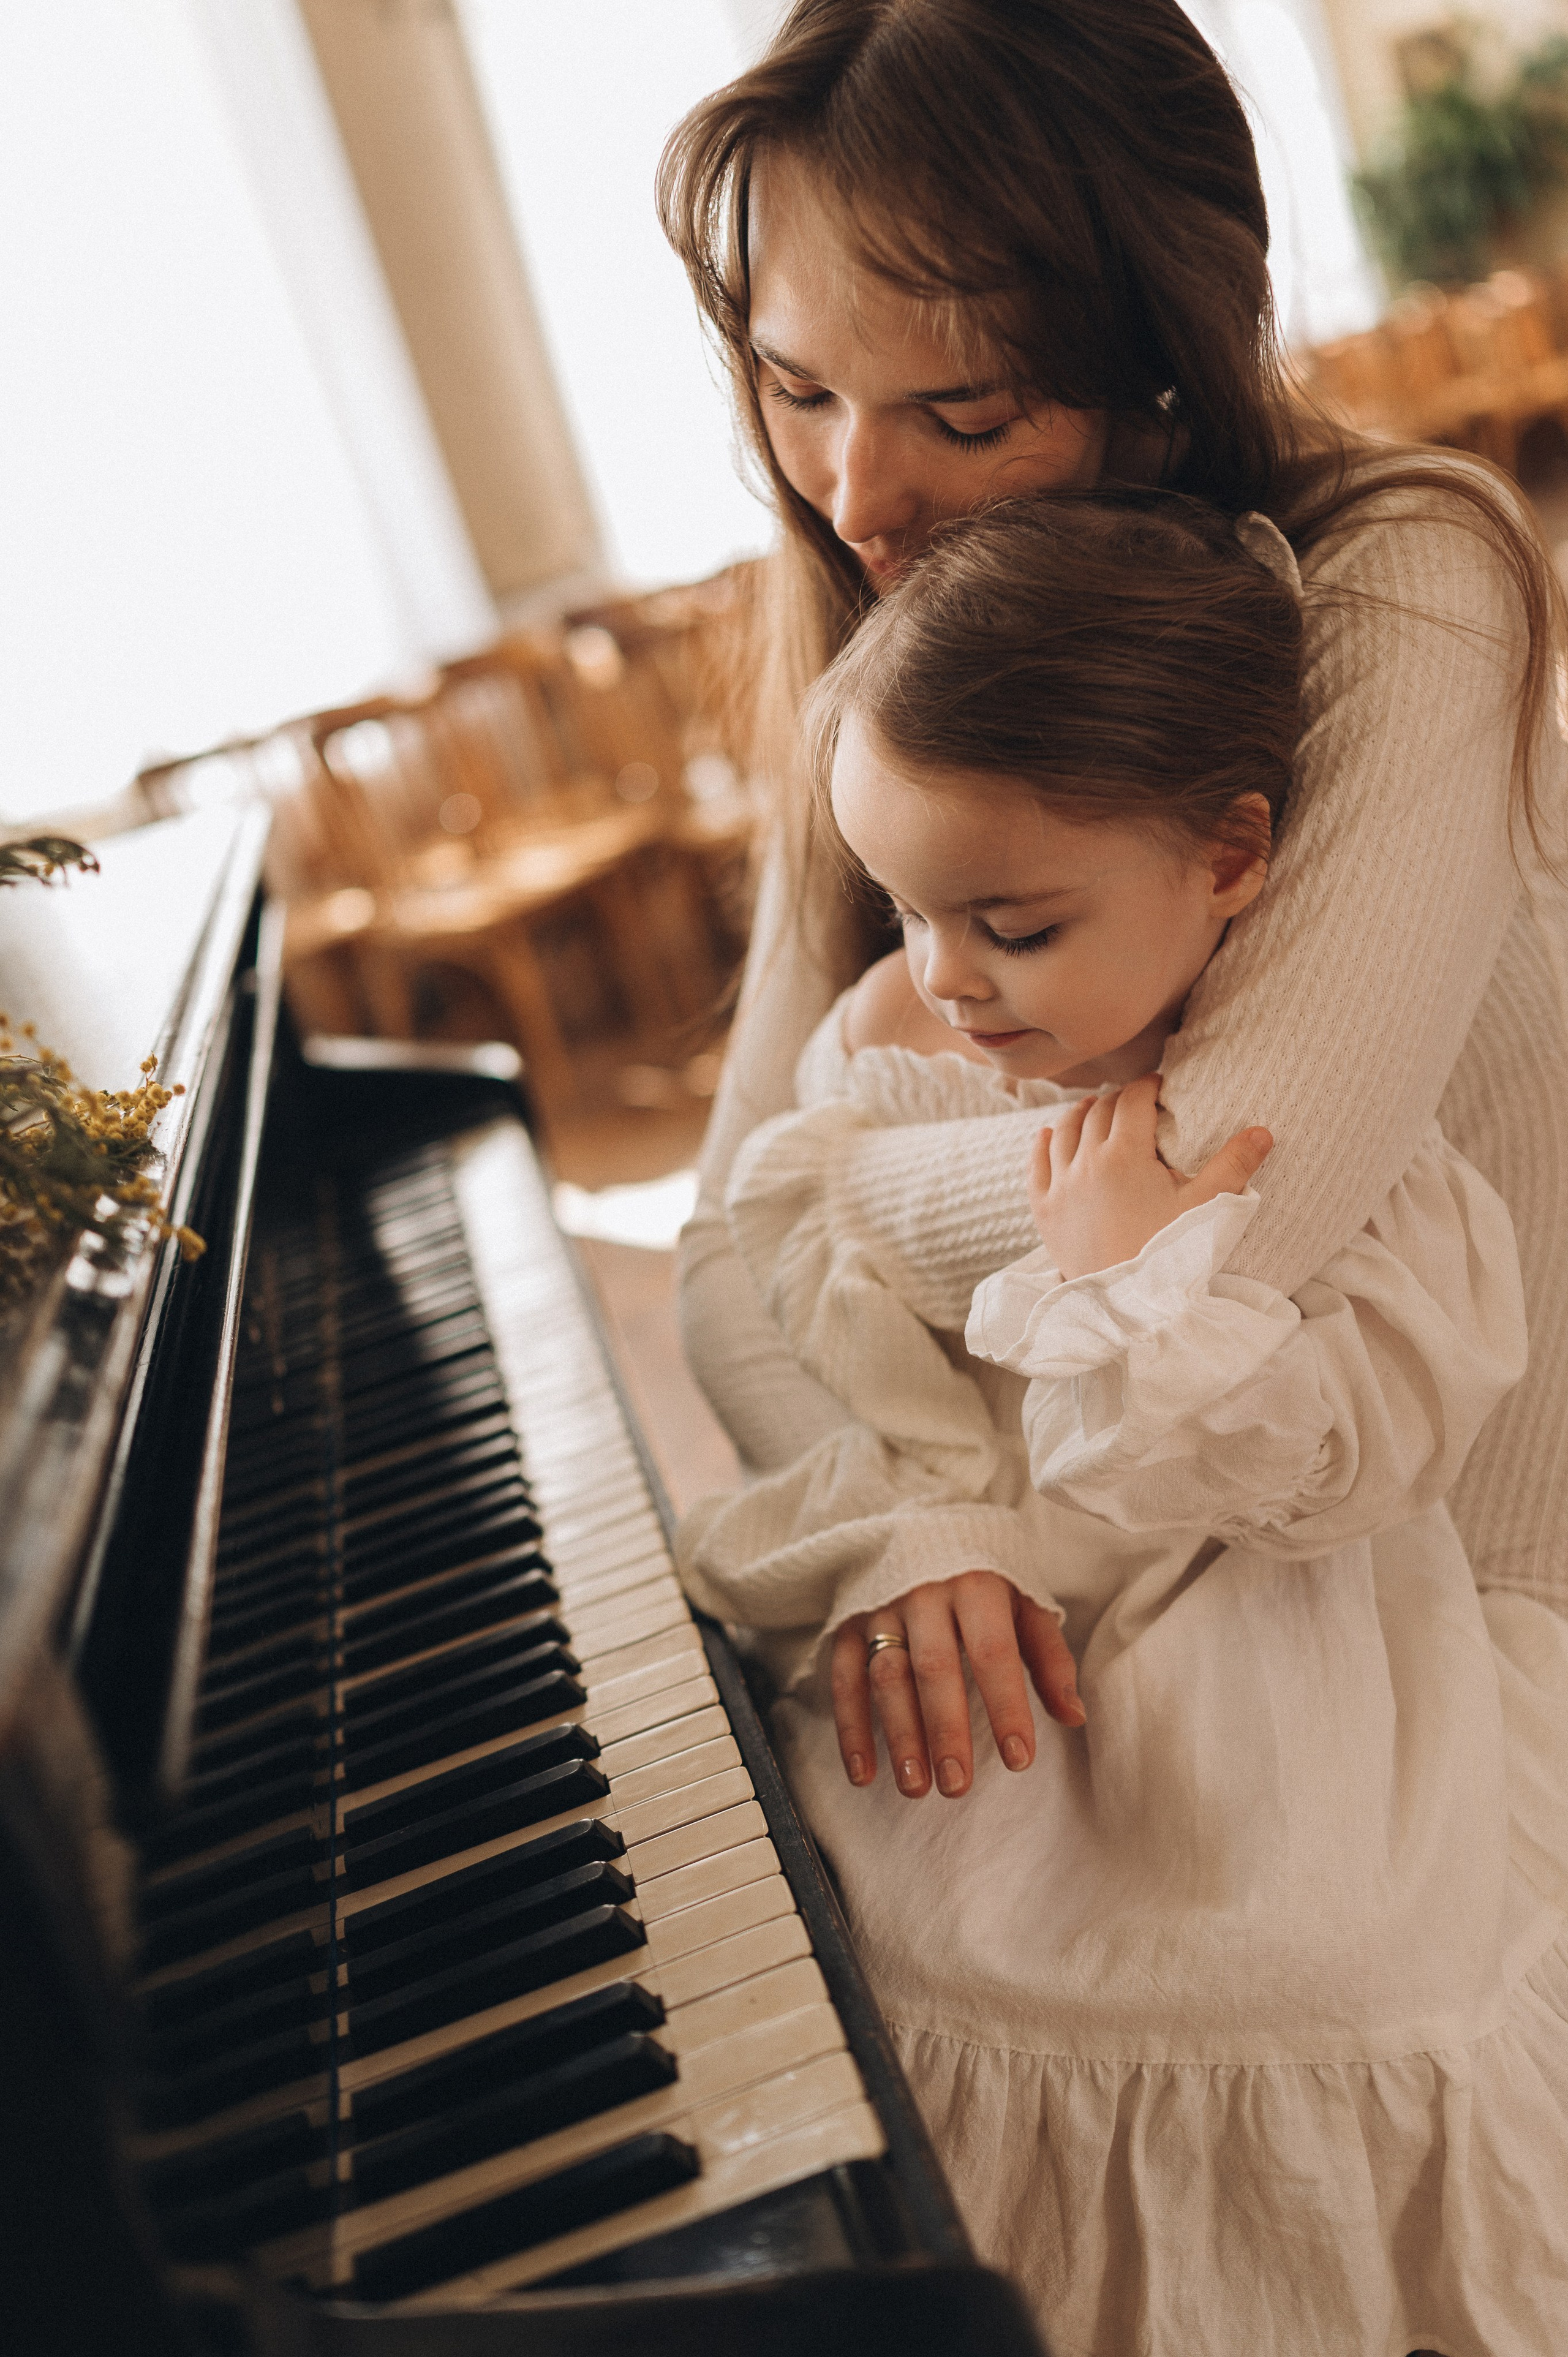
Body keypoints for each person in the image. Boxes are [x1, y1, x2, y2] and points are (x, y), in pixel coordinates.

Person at [655, 2, 1568, 2347]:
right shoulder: (883, 660)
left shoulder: (1391, 576)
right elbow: (720, 1261)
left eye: (963, 409)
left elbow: (1218, 1213)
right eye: (795, 383)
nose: (857, 490)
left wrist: (859, 1188)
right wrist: (911, 1511)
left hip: (1453, 1571)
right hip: (1111, 1541)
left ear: (1160, 384)